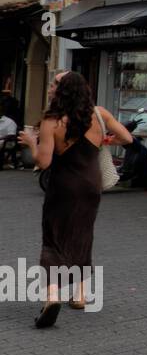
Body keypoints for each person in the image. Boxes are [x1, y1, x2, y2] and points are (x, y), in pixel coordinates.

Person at [18, 71, 133, 328]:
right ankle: (80, 295)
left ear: (62, 91)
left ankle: (52, 297)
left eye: (53, 84)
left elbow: (44, 162)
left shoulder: (52, 121)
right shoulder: (99, 114)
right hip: (91, 185)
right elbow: (127, 138)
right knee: (83, 234)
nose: (50, 87)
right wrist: (105, 140)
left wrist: (31, 143)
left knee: (54, 239)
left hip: (63, 187)